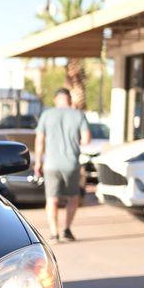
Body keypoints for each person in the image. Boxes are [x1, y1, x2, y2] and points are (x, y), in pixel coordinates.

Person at [33, 88, 91, 241]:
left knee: (52, 199)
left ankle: (54, 233)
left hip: (51, 164)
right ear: (69, 100)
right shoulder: (78, 115)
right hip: (71, 164)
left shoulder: (46, 115)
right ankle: (67, 229)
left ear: (55, 99)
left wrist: (38, 161)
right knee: (73, 197)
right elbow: (86, 140)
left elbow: (39, 140)